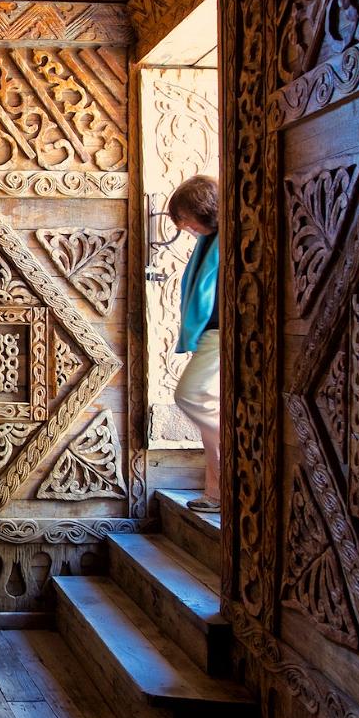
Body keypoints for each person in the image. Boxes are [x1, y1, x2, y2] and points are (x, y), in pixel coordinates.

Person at [168, 173, 220, 512]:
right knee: (209, 408)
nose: (185, 227)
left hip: (221, 333)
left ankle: (238, 462)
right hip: (208, 333)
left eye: (186, 218)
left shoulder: (228, 238)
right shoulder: (209, 242)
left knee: (192, 396)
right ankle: (216, 492)